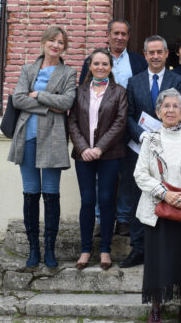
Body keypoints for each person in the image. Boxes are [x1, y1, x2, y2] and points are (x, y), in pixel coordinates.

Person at [134, 88, 181, 323]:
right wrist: (164, 194)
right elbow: (140, 174)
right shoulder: (150, 139)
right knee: (157, 259)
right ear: (158, 111)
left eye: (175, 106)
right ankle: (156, 306)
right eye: (165, 106)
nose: (170, 110)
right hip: (158, 209)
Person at [7, 26, 77, 268]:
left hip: (54, 138)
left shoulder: (69, 72)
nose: (56, 45)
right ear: (43, 42)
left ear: (64, 47)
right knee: (30, 193)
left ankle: (49, 250)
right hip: (27, 135)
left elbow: (67, 101)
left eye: (61, 42)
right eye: (52, 41)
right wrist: (48, 105)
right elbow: (18, 99)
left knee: (51, 194)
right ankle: (33, 250)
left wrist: (36, 95)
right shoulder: (28, 69)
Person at [118, 35, 181, 269]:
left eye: (160, 52)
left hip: (169, 151)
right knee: (139, 198)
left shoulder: (177, 80)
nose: (155, 56)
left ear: (167, 54)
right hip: (138, 149)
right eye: (151, 52)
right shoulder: (133, 81)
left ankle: (161, 249)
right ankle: (138, 249)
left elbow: (179, 113)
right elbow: (127, 115)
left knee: (165, 197)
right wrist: (142, 135)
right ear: (145, 55)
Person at [78, 19, 148, 238]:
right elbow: (82, 95)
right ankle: (100, 219)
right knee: (99, 178)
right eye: (115, 33)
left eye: (124, 34)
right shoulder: (93, 60)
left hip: (129, 127)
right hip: (98, 131)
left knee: (128, 175)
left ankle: (125, 219)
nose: (119, 37)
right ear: (107, 35)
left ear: (128, 37)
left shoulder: (138, 61)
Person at [68, 48, 128, 271]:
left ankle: (105, 249)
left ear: (111, 68)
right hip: (83, 155)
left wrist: (100, 147)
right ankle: (85, 250)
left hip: (110, 154)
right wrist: (83, 148)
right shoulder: (79, 91)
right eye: (96, 64)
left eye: (105, 64)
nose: (100, 68)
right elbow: (72, 121)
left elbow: (120, 123)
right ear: (90, 66)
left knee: (105, 200)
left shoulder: (119, 92)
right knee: (87, 200)